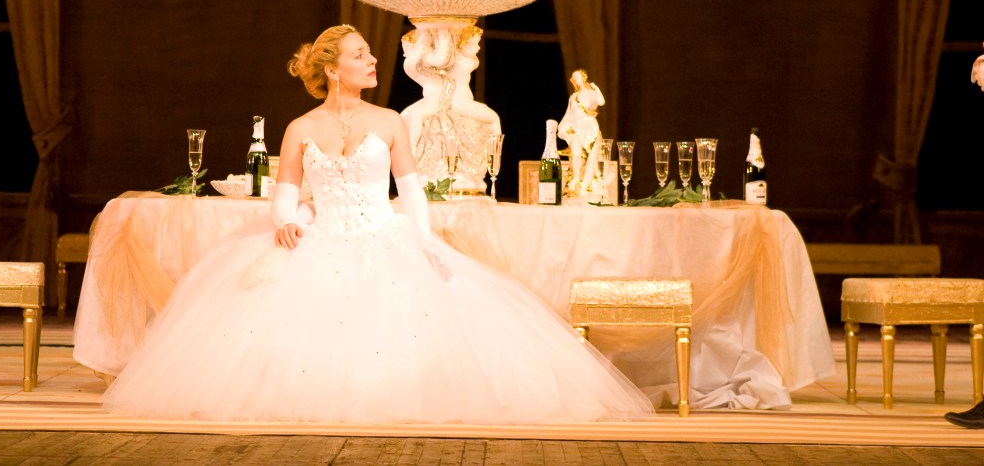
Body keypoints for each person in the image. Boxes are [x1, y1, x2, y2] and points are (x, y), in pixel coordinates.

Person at [102, 25, 653, 423]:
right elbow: (285, 192)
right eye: (360, 55)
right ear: (331, 69)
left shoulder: (389, 121)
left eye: (368, 53)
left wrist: (424, 241)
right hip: (320, 234)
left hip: (381, 232)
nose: (372, 61)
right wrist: (286, 221)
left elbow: (410, 189)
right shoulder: (299, 128)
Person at [557, 69, 605, 198]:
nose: (576, 80)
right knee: (576, 153)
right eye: (574, 78)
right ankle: (576, 178)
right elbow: (568, 114)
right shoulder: (573, 97)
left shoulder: (591, 93)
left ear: (584, 77)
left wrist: (596, 88)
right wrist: (562, 127)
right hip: (575, 126)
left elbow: (601, 102)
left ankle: (586, 185)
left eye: (577, 77)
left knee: (592, 156)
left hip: (589, 126)